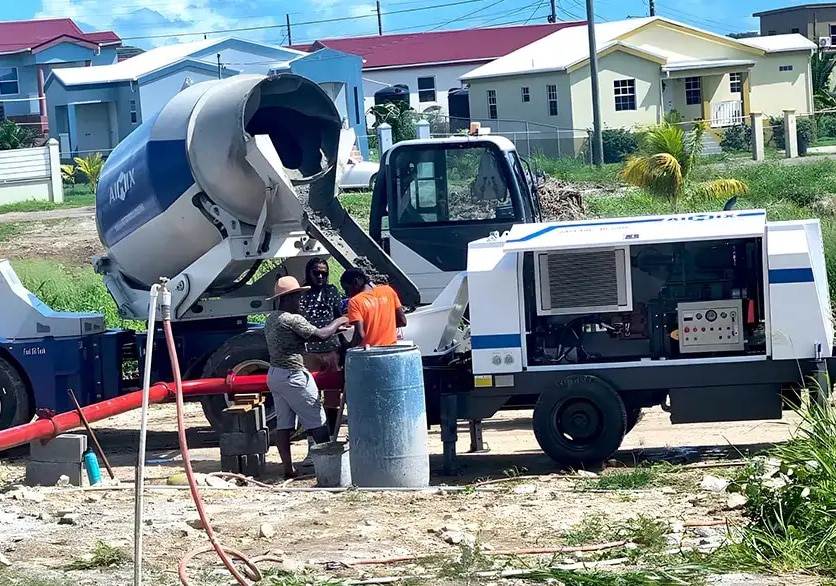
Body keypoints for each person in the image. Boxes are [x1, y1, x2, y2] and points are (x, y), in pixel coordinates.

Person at [264, 275, 349, 479]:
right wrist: (340, 320)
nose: (301, 300)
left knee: (284, 425)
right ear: (289, 298)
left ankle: (288, 469)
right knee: (317, 422)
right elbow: (320, 335)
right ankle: (325, 469)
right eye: (298, 296)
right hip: (293, 376)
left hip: (275, 374)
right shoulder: (292, 319)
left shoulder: (272, 319)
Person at [299, 258, 344, 436]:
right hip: (310, 352)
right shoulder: (301, 294)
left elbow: (338, 315)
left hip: (332, 350)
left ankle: (331, 437)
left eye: (324, 273)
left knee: (333, 398)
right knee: (310, 398)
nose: (320, 276)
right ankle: (313, 442)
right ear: (308, 273)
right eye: (316, 273)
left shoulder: (332, 292)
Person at [340, 268, 407, 348]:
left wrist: (349, 347)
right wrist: (384, 328)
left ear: (356, 281)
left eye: (347, 288)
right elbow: (403, 321)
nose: (347, 293)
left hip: (369, 352)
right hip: (390, 350)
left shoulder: (355, 301)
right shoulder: (388, 290)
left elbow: (360, 334)